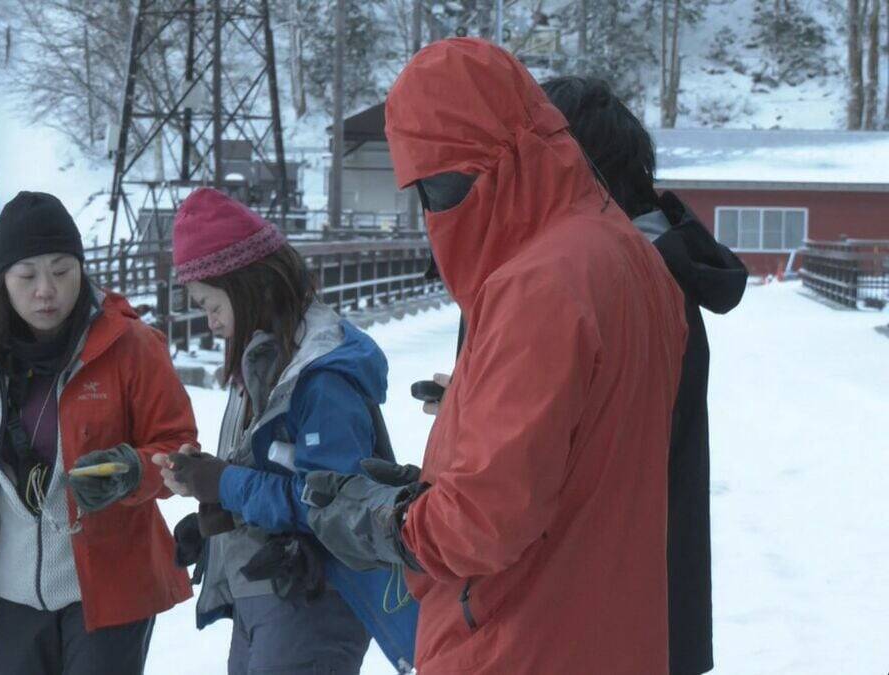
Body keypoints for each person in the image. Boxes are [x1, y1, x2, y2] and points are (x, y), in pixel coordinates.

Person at [300, 39, 689, 673]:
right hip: (610, 632)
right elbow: (578, 459)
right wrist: (430, 488)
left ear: (473, 168)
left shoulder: (539, 282)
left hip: (519, 642)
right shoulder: (634, 260)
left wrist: (383, 524)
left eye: (431, 187)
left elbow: (484, 521)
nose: (432, 212)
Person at [151, 187, 418, 674]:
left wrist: (224, 484)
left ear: (249, 286)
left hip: (314, 600)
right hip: (268, 593)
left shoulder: (320, 377)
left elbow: (336, 503)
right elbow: (272, 468)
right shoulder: (264, 358)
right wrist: (215, 513)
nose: (209, 322)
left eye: (211, 304)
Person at [0, 191, 197, 674]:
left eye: (61, 271)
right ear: (3, 281)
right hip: (17, 594)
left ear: (81, 268)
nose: (46, 290)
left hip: (111, 589)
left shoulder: (131, 348)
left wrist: (133, 471)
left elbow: (180, 449)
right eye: (27, 275)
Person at [541, 75, 748, 675]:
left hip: (591, 608)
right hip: (654, 598)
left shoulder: (597, 280)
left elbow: (572, 445)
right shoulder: (656, 267)